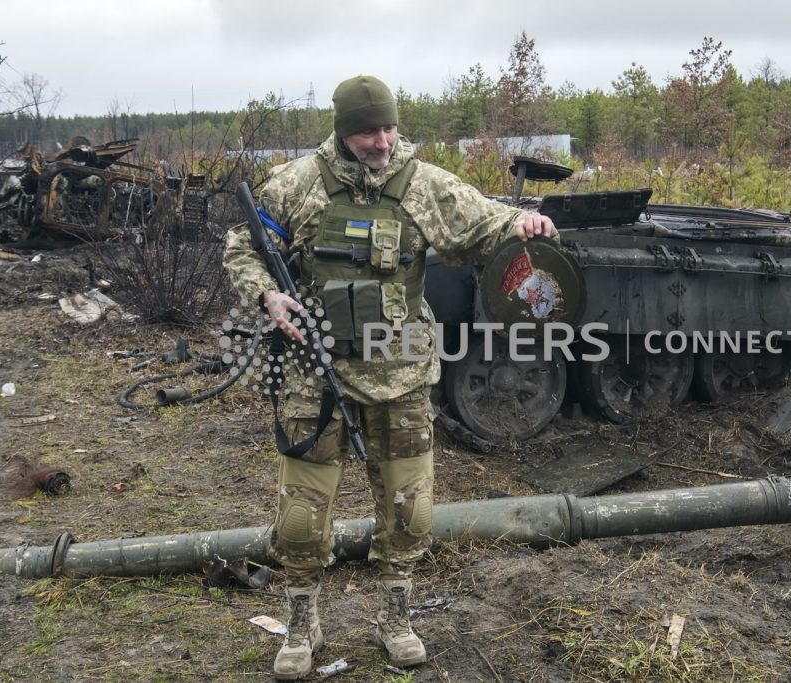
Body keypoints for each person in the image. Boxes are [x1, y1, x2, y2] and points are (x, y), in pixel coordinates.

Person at [223, 75, 555, 679]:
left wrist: (523, 225)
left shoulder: (424, 185)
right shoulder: (297, 185)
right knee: (301, 516)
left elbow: (484, 225)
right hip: (315, 374)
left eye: (388, 127)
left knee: (411, 510)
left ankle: (395, 617)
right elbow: (242, 246)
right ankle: (302, 622)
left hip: (400, 374)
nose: (380, 141)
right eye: (366, 130)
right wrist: (268, 294)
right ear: (342, 130)